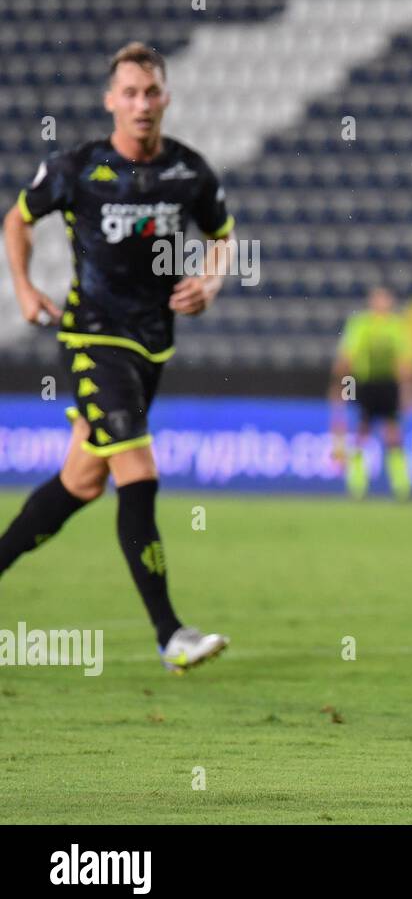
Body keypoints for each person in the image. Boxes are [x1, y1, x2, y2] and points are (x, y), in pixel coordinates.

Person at [0, 42, 240, 673]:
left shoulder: (189, 172)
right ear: (111, 101)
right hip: (94, 338)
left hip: (152, 344)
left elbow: (223, 236)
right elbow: (17, 220)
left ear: (166, 97)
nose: (141, 104)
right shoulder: (78, 168)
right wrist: (25, 288)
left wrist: (210, 283)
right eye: (129, 93)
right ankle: (171, 636)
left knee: (82, 480)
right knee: (138, 472)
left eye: (152, 92)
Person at [330, 286, 412, 501]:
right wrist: (341, 385)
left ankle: (402, 486)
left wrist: (409, 390)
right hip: (366, 384)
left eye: (384, 300)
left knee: (392, 433)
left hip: (388, 384)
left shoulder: (396, 326)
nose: (381, 304)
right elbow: (347, 357)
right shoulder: (361, 324)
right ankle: (357, 485)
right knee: (363, 432)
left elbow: (403, 362)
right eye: (377, 300)